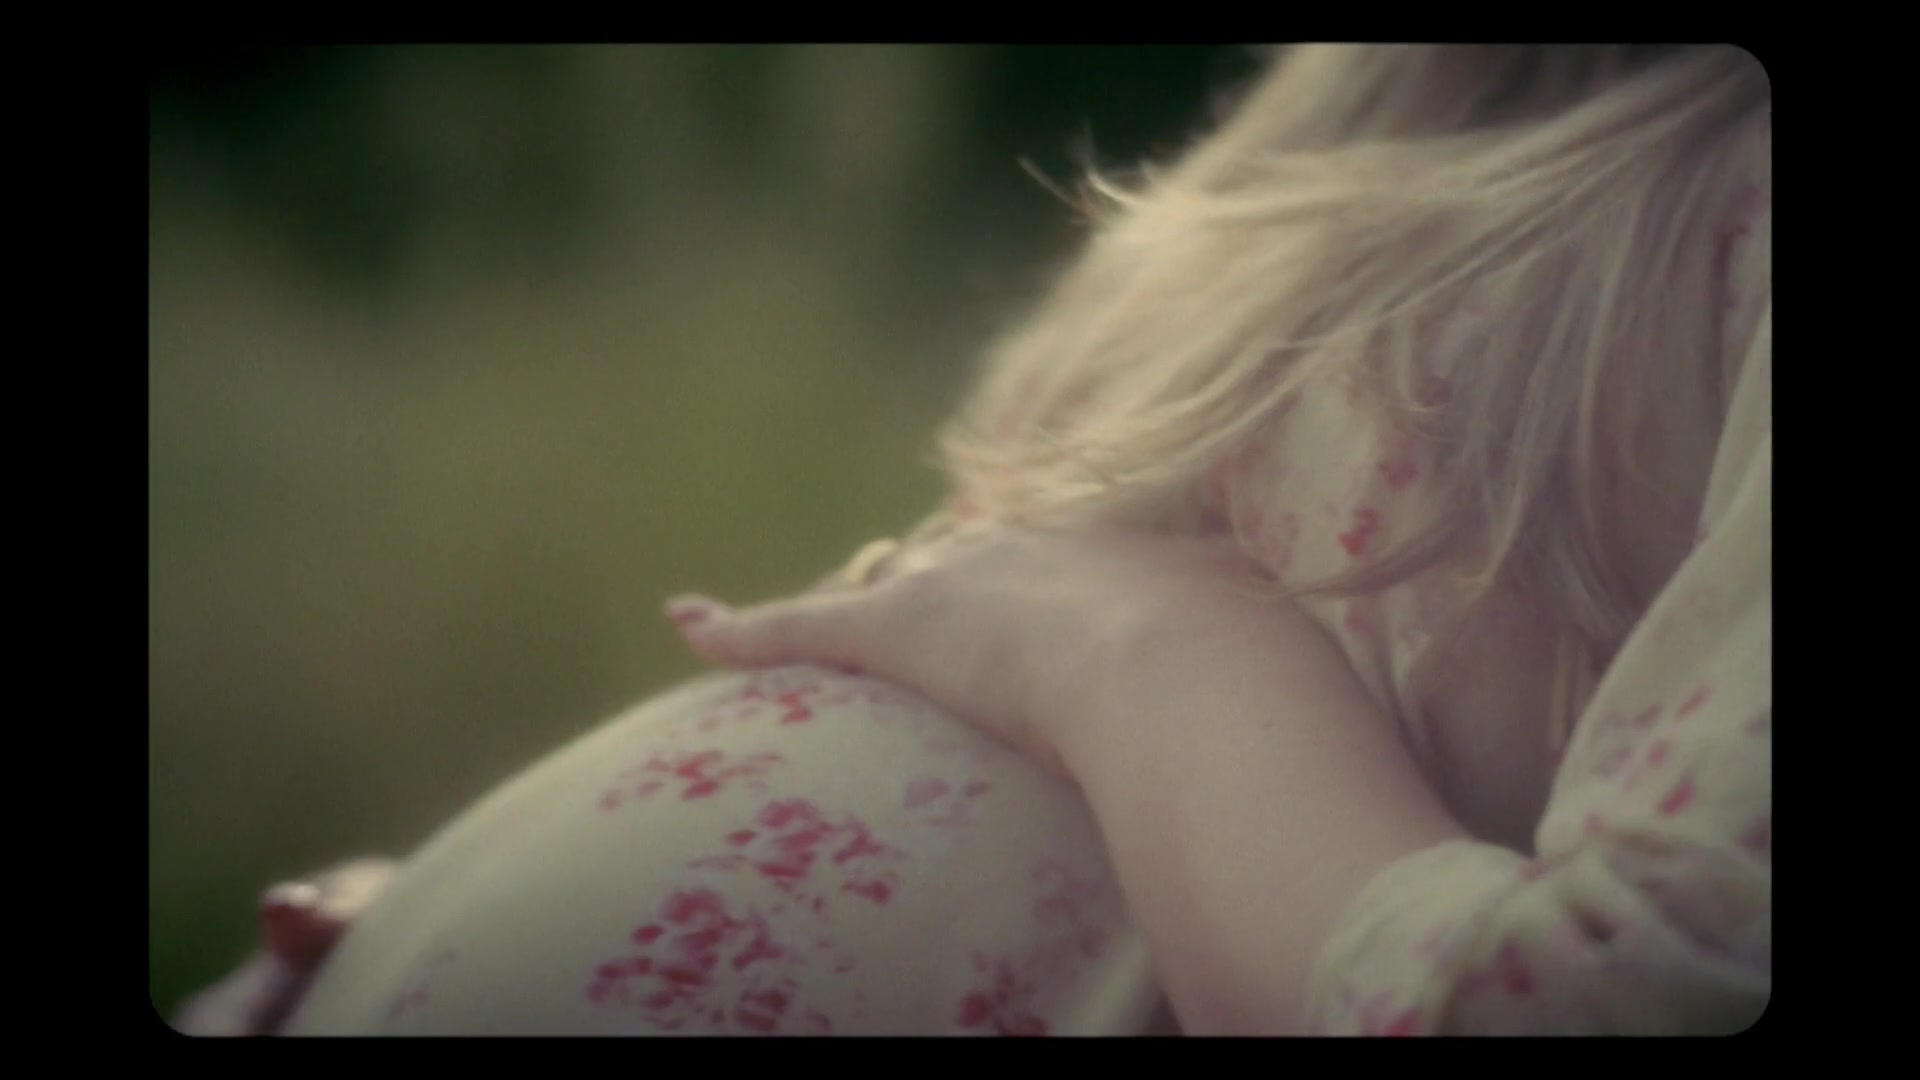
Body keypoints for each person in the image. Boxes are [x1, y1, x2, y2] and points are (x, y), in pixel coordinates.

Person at [169, 43, 1770, 1036]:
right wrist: (466, 926)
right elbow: (1002, 632)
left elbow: (1628, 999)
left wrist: (1152, 650)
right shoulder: (1379, 90)